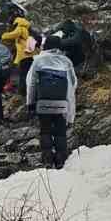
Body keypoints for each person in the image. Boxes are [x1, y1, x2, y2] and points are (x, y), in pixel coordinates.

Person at [27, 36, 79, 168]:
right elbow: (73, 83)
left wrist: (30, 103)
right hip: (61, 103)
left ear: (46, 46)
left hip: (43, 102)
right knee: (60, 131)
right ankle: (61, 159)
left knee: (45, 130)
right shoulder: (66, 61)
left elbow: (31, 84)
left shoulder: (38, 60)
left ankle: (47, 159)